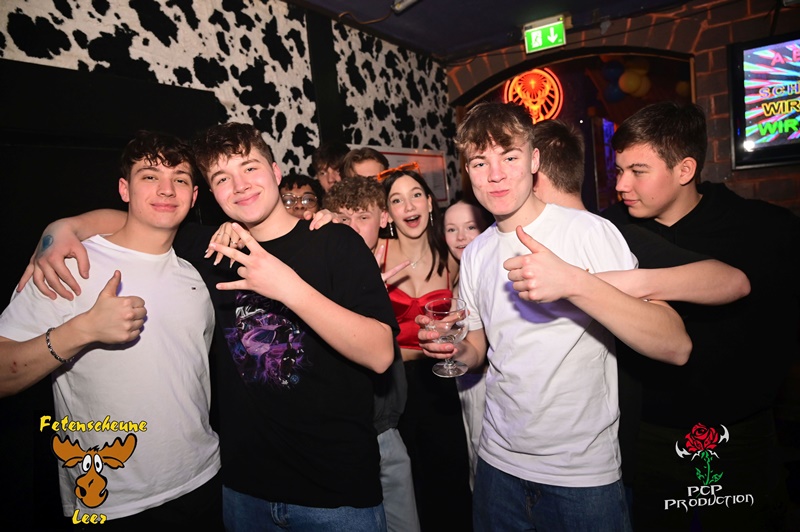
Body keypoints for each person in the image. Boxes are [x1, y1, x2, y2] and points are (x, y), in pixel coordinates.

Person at [19, 123, 398, 531]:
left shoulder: (335, 241)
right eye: (222, 178)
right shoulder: (214, 250)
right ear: (212, 194)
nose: (240, 185)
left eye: (249, 168)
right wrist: (64, 229)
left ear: (275, 172)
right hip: (242, 491)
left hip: (336, 496)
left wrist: (288, 288)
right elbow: (139, 217)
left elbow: (380, 355)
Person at [419, 102, 692, 532]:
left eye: (509, 157)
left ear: (534, 161)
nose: (495, 174)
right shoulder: (476, 253)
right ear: (467, 173)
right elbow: (478, 349)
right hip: (497, 464)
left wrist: (574, 283)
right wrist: (455, 349)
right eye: (480, 162)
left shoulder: (588, 232)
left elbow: (675, 345)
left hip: (581, 475)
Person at [0, 131, 222, 528]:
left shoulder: (194, 273)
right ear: (124, 189)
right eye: (149, 176)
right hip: (111, 500)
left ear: (193, 197)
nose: (166, 189)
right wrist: (82, 330)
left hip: (203, 479)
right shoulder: (70, 262)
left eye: (180, 179)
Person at [603, 101, 800, 531]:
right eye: (618, 171)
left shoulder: (761, 228)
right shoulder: (607, 231)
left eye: (637, 171)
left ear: (685, 169)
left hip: (739, 434)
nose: (621, 184)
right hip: (646, 434)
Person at [377, 165, 473, 531]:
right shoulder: (376, 253)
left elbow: (468, 320)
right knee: (403, 487)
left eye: (416, 195)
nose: (409, 206)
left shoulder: (450, 258)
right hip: (390, 385)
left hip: (439, 384)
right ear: (387, 214)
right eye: (397, 200)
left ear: (430, 203)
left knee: (447, 479)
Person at [324, 176, 421, 532]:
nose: (351, 226)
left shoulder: (397, 261)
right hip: (341, 433)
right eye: (342, 218)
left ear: (382, 219)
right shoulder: (320, 268)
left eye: (362, 217)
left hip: (386, 428)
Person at [443, 199, 491, 489]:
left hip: (484, 383)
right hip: (461, 383)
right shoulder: (454, 272)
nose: (460, 237)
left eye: (470, 227)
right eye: (451, 229)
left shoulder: (489, 273)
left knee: (483, 465)